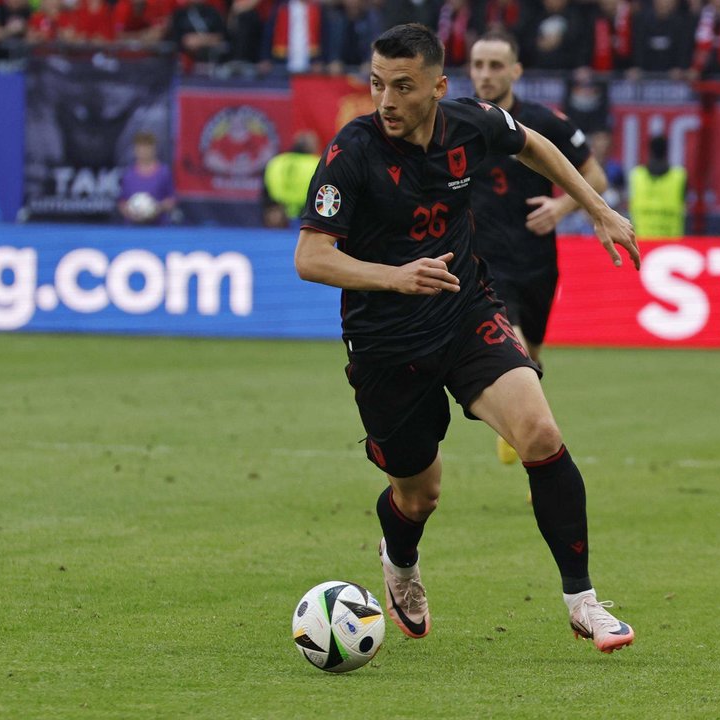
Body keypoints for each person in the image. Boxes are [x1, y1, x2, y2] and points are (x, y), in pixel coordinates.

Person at [294, 23, 639, 654]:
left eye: (403, 86)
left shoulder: (468, 123)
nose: (386, 100)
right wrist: (394, 277)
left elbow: (533, 143)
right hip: (385, 343)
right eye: (377, 84)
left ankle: (584, 602)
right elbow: (311, 257)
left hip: (464, 310)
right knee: (419, 494)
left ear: (437, 87)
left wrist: (595, 207)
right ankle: (399, 562)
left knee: (539, 432)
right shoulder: (354, 150)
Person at [468, 29, 608, 463]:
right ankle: (544, 460)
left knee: (535, 359)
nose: (485, 74)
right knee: (518, 351)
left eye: (495, 65)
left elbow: (596, 179)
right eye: (478, 65)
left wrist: (561, 207)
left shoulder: (544, 123)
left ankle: (524, 433)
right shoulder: (455, 123)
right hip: (484, 264)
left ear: (516, 70)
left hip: (537, 260)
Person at [628, 134, 687, 239]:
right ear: (667, 151)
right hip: (671, 246)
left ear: (649, 150)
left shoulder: (636, 175)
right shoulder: (679, 176)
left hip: (641, 243)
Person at [118, 131, 175, 225]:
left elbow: (172, 200)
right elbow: (122, 201)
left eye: (147, 147)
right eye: (140, 148)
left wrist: (156, 208)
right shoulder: (128, 174)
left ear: (154, 149)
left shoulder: (164, 172)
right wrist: (130, 212)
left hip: (158, 228)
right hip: (132, 228)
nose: (143, 151)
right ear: (135, 150)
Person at [263, 131, 320, 220]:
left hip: (277, 214)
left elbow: (265, 189)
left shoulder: (277, 161)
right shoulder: (316, 163)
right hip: (306, 214)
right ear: (311, 147)